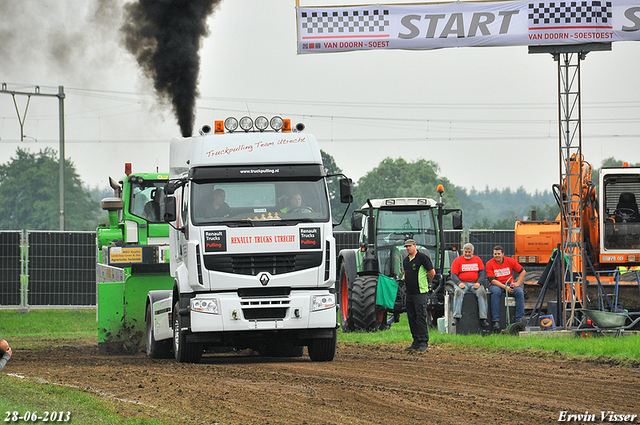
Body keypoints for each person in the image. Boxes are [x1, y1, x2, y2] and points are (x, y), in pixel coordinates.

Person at [402, 239, 435, 352]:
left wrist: (426, 282)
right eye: (406, 246)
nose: (407, 248)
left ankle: (423, 342)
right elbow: (405, 273)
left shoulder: (422, 258)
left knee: (420, 316)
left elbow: (432, 272)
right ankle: (415, 341)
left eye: (409, 246)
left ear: (415, 246)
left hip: (420, 292)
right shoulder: (406, 260)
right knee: (412, 317)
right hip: (409, 293)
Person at [485, 245, 526, 330]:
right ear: (493, 254)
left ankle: (519, 319)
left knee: (519, 292)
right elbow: (492, 280)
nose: (497, 256)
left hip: (509, 284)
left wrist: (518, 283)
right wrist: (505, 287)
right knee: (496, 292)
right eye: (495, 254)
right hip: (497, 284)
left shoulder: (510, 261)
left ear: (502, 254)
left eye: (498, 254)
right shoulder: (489, 264)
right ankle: (495, 320)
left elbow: (523, 271)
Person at [450, 242, 489, 327]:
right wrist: (459, 283)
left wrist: (479, 282)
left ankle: (483, 317)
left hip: (475, 283)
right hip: (462, 283)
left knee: (482, 292)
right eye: (466, 252)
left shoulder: (478, 260)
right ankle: (456, 317)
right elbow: (453, 274)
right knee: (458, 292)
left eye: (469, 252)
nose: (467, 254)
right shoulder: (457, 260)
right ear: (463, 251)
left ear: (472, 252)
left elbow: (482, 272)